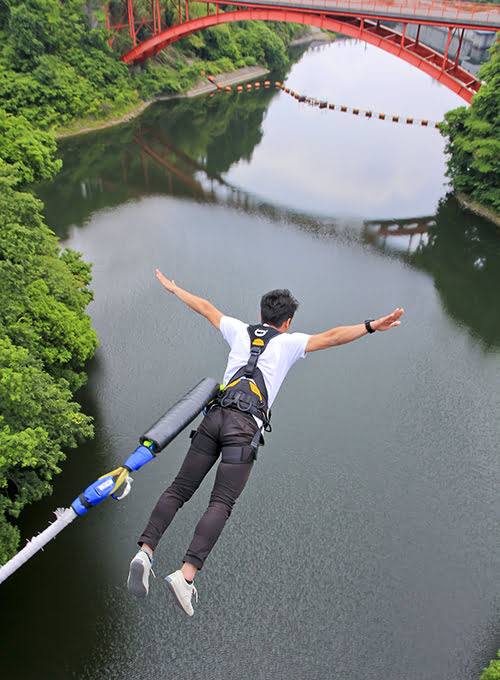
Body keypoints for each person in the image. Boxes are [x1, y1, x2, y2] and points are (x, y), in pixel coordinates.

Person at [127, 268, 404, 615]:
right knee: (221, 503)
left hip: (214, 415)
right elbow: (332, 336)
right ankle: (185, 575)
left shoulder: (239, 330)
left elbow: (205, 307)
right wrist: (370, 325)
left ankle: (146, 551)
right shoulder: (290, 342)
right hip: (243, 428)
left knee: (179, 490)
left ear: (260, 315)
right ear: (286, 323)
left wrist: (173, 288)